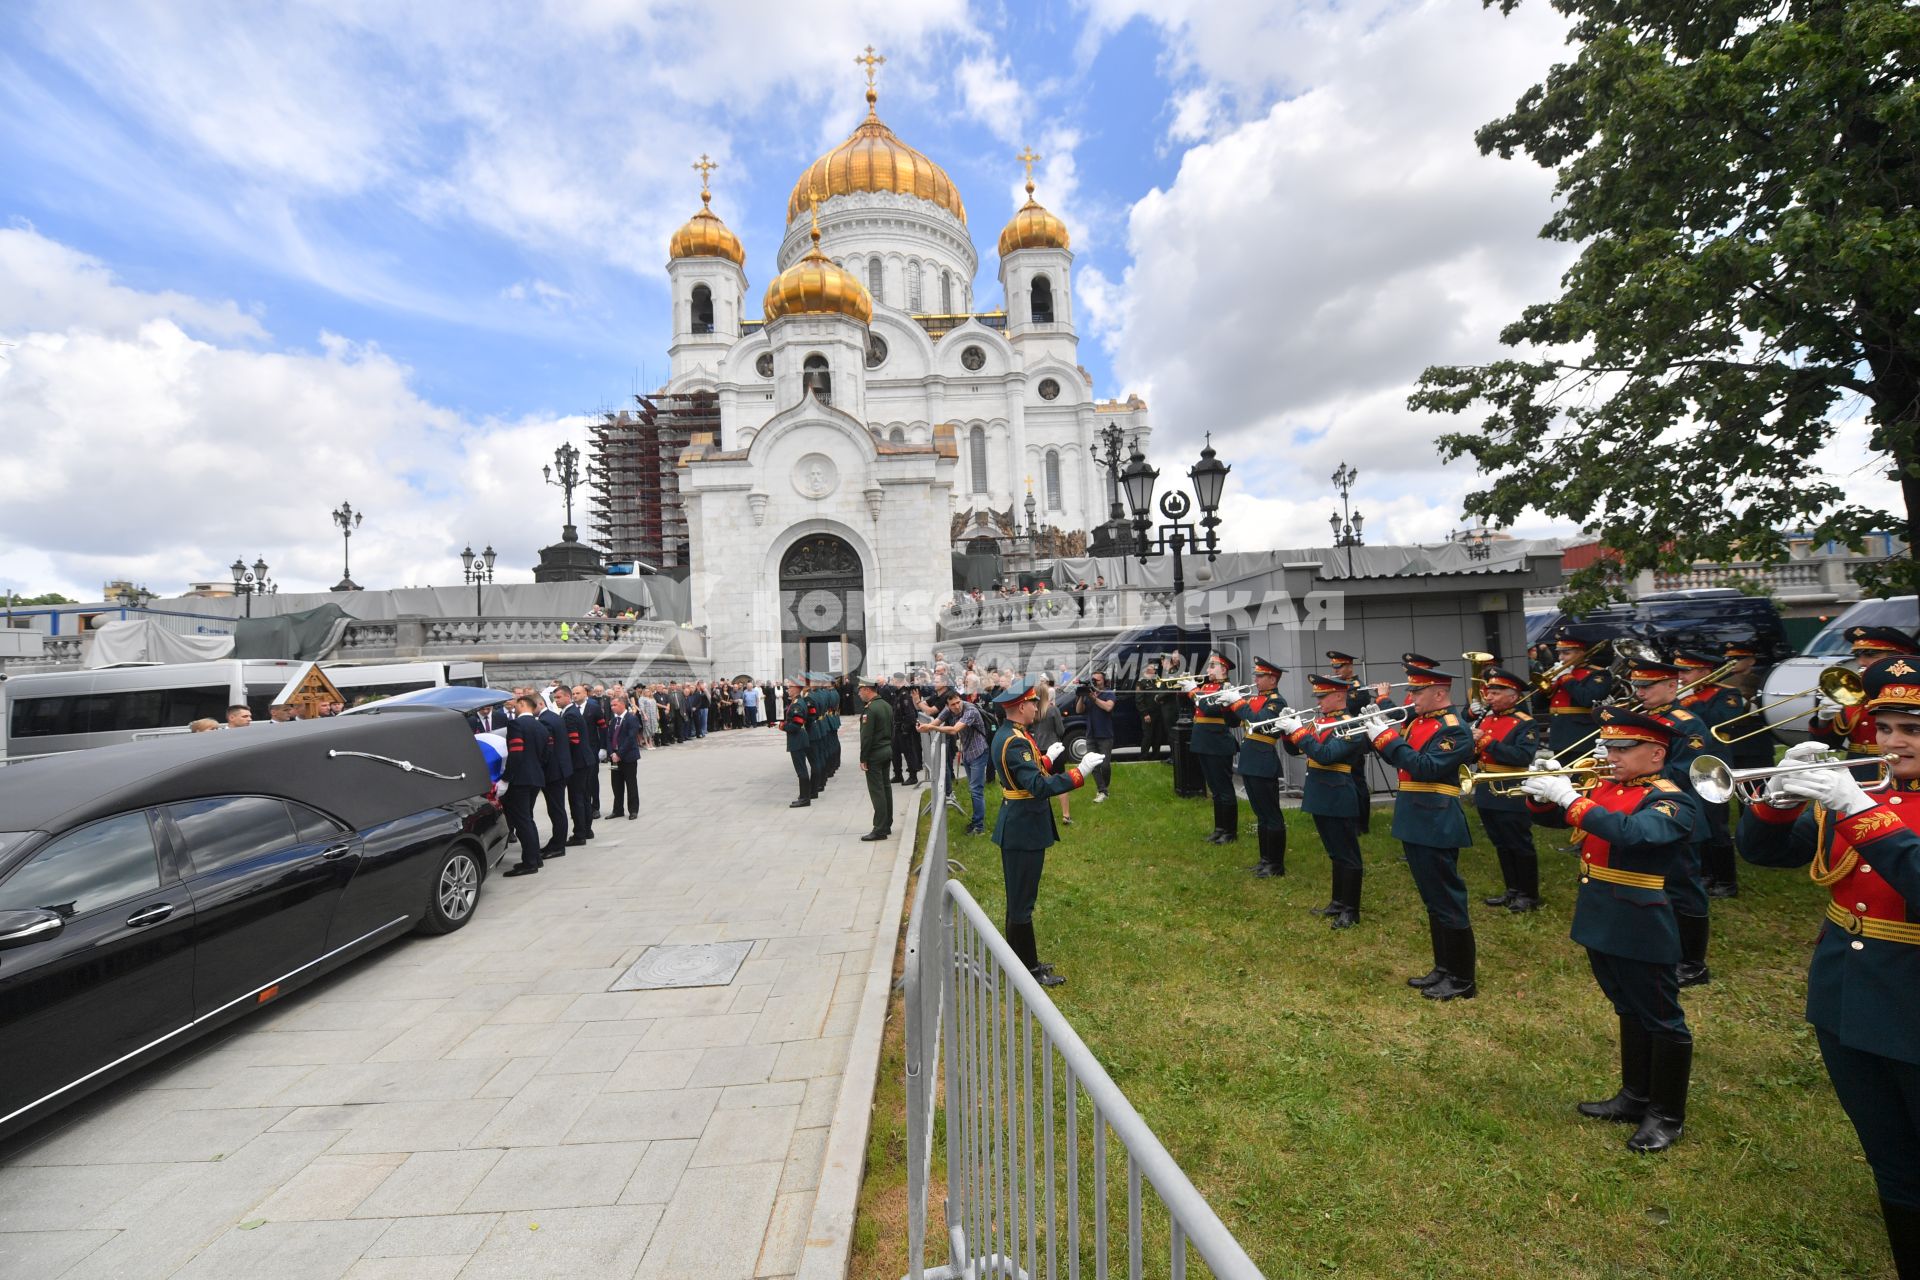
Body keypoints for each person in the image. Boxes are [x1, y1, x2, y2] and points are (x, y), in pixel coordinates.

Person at [1738, 654, 1920, 1272]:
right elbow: (1763, 854)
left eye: (1912, 731)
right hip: (1848, 996)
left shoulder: (1862, 803)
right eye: (1887, 727)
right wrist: (1777, 802)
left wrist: (1860, 811)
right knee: (1891, 1161)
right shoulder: (1864, 791)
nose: (1894, 742)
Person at [1523, 706, 1697, 1153]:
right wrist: (1543, 795)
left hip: (1644, 921)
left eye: (1623, 747)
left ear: (1656, 753)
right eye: (1609, 746)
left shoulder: (1671, 799)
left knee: (1661, 1017)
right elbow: (1559, 820)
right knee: (1627, 1006)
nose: (1611, 754)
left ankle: (1667, 1114)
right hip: (1602, 913)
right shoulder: (1607, 787)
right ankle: (1635, 1096)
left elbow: (1632, 833)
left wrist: (1571, 798)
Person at [1361, 662, 1478, 1001]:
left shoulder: (1454, 730)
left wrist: (1387, 738)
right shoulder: (1419, 723)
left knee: (1448, 900)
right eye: (1411, 691)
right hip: (1415, 817)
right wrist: (1380, 739)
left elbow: (1424, 768)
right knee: (1433, 900)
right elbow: (1403, 762)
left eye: (1417, 691)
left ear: (1439, 693)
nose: (1410, 697)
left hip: (1437, 819)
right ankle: (1443, 968)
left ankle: (1462, 979)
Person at [989, 677, 1099, 988]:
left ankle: (1020, 962)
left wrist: (1046, 759)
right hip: (1023, 828)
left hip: (1020, 824)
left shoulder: (1012, 735)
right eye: (1034, 702)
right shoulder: (1016, 741)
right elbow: (1036, 786)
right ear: (1021, 706)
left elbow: (1025, 774)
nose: (1037, 706)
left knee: (1019, 899)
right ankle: (1029, 972)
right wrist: (1078, 774)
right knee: (1022, 902)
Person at [1630, 660, 1713, 987]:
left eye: (1647, 686)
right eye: (1637, 686)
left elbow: (1683, 772)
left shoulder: (1687, 724)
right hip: (1644, 810)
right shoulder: (1641, 720)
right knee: (1653, 884)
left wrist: (1633, 772)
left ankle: (1693, 963)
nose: (1640, 692)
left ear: (1672, 686)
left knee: (1683, 888)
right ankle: (1662, 948)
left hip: (1679, 813)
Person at [1278, 675, 1367, 926]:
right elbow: (1295, 750)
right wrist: (1287, 732)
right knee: (1334, 852)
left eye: (1322, 696)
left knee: (1347, 853)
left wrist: (1298, 731)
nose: (1318, 702)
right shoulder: (1321, 721)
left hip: (1339, 792)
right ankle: (1338, 902)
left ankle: (1351, 909)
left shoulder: (1351, 725)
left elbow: (1326, 755)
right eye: (1317, 697)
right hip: (1320, 791)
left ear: (1339, 696)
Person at [1471, 666, 1545, 912]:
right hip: (1486, 787)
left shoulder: (1525, 723)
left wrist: (1486, 742)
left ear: (1513, 695)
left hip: (1511, 788)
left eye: (1495, 692)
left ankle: (1529, 894)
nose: (1488, 697)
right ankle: (1512, 889)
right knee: (1500, 842)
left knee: (1518, 843)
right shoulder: (1488, 718)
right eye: (1489, 692)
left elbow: (1522, 756)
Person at [1674, 651, 1745, 898]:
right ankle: (1705, 874)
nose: (1681, 677)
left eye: (1687, 671)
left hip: (1714, 764)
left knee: (1717, 823)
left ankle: (1726, 881)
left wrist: (1693, 702)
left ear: (1705, 672)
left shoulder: (1726, 693)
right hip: (1688, 764)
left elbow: (1724, 721)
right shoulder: (1684, 696)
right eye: (1680, 671)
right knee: (1698, 820)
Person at [1811, 626, 1920, 760]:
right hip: (1856, 769)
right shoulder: (1851, 690)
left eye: (1870, 654)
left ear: (1898, 658)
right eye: (1858, 655)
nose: (1861, 662)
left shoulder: (1911, 691)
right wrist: (1824, 721)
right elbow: (1828, 745)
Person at [1230, 659, 1289, 876]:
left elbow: (1258, 722)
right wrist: (1228, 702)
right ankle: (1265, 859)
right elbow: (1234, 720)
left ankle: (1276, 864)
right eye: (1255, 675)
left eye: (1259, 676)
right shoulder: (1257, 699)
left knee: (1271, 815)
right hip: (1250, 760)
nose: (1255, 679)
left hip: (1263, 760)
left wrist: (1238, 703)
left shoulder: (1276, 702)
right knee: (1261, 814)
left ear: (1272, 679)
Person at [1188, 653, 1242, 843]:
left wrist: (1193, 692)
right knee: (1215, 789)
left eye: (1212, 666)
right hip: (1204, 742)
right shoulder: (1207, 686)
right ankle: (1220, 828)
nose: (1208, 670)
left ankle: (1230, 832)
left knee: (1224, 789)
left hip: (1218, 743)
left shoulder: (1226, 688)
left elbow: (1210, 709)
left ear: (1224, 670)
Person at [926, 688, 991, 835]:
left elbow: (954, 730)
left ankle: (979, 827)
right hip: (968, 753)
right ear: (948, 705)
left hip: (979, 752)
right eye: (952, 704)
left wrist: (931, 727)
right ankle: (975, 822)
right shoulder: (949, 709)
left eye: (958, 702)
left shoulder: (971, 710)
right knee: (973, 788)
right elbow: (936, 721)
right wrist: (926, 727)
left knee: (976, 790)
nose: (956, 706)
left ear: (960, 700)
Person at [1545, 628, 1615, 760]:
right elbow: (1539, 704)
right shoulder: (1559, 674)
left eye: (1566, 653)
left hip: (1581, 736)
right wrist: (1548, 686)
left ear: (1581, 653)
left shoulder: (1598, 674)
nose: (1561, 658)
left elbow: (1587, 699)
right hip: (1558, 735)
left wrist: (1566, 678)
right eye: (1559, 653)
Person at [502, 695, 552, 877]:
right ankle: (534, 858)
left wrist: (505, 778)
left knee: (522, 821)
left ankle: (530, 862)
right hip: (536, 777)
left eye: (516, 704)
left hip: (521, 779)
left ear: (522, 704)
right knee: (527, 819)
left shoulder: (516, 725)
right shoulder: (541, 726)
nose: (513, 707)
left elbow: (516, 753)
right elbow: (547, 755)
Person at [1327, 651, 1374, 833]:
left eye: (1339, 667)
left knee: (1357, 782)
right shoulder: (1342, 685)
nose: (1336, 670)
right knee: (1348, 781)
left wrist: (1331, 687)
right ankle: (1349, 819)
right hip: (1342, 738)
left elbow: (1346, 706)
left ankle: (1362, 824)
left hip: (1355, 740)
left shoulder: (1357, 688)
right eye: (1334, 667)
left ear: (1349, 667)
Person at [554, 685, 594, 845]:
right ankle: (586, 829)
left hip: (578, 762)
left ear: (567, 697)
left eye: (558, 697)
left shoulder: (569, 715)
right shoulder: (570, 712)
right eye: (555, 698)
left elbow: (574, 741)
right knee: (583, 797)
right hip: (584, 760)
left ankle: (579, 834)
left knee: (576, 798)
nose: (556, 701)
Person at [1030, 681, 1072, 828]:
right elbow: (1061, 731)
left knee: (1041, 783)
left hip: (1038, 749)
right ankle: (1066, 815)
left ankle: (1043, 816)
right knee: (1061, 780)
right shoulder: (1053, 710)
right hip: (1054, 747)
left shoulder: (1033, 710)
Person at [536, 688, 573, 856]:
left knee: (556, 809)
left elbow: (547, 750)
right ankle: (557, 842)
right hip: (561, 769)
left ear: (540, 703)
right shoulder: (553, 717)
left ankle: (558, 845)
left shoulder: (545, 720)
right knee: (557, 809)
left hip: (554, 772)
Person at [857, 678, 894, 841]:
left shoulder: (870, 709)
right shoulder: (886, 705)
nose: (859, 694)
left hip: (875, 753)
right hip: (886, 749)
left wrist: (863, 758)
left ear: (867, 689)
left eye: (860, 690)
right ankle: (887, 824)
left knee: (877, 790)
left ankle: (879, 828)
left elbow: (866, 737)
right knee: (886, 788)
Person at [1073, 671, 1117, 803]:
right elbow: (1079, 710)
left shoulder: (1109, 693)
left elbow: (1108, 707)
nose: (1096, 682)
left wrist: (1094, 699)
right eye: (1094, 680)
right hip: (1091, 735)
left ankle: (1105, 787)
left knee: (1105, 766)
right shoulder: (1088, 694)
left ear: (1104, 681)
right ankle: (1102, 790)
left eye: (1098, 680)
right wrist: (1081, 696)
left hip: (1105, 735)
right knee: (1093, 765)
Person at [782, 676, 818, 807]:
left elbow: (795, 725)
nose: (788, 690)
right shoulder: (799, 701)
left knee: (801, 769)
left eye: (790, 687)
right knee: (801, 768)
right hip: (801, 738)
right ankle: (804, 795)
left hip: (797, 739)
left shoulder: (797, 704)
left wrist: (781, 726)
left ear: (797, 688)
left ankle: (804, 798)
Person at [607, 693, 641, 820]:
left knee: (631, 783)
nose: (612, 707)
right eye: (611, 705)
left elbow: (631, 738)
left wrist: (619, 754)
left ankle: (633, 810)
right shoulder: (614, 720)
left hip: (628, 758)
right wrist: (611, 753)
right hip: (614, 759)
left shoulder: (631, 718)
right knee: (616, 784)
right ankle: (617, 810)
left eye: (614, 705)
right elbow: (609, 737)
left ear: (622, 705)